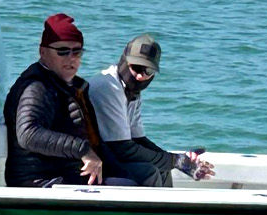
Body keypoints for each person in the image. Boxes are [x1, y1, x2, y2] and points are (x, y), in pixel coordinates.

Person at [86, 34, 214, 186]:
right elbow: (122, 149)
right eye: (137, 67)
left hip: (111, 153)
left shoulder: (132, 91)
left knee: (163, 168)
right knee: (149, 172)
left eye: (148, 71)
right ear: (125, 62)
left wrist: (177, 160)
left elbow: (139, 139)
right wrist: (174, 161)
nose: (141, 76)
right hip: (93, 157)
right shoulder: (108, 87)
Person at [3, 14, 106, 188]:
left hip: (66, 177)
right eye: (62, 51)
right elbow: (28, 134)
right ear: (42, 52)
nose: (71, 57)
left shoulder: (72, 86)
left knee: (135, 177)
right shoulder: (37, 87)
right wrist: (83, 150)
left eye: (77, 51)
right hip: (39, 183)